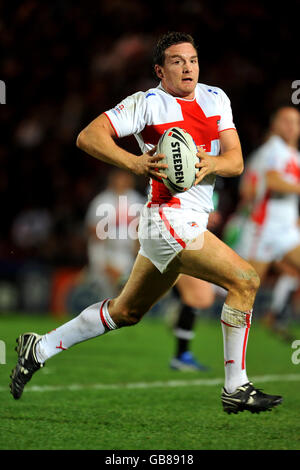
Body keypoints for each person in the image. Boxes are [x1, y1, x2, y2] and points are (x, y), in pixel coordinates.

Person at [10, 31, 282, 414]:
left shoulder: (216, 98)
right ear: (160, 69)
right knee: (246, 279)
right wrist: (134, 162)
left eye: (192, 60)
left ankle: (38, 347)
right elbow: (88, 136)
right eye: (177, 61)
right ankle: (236, 386)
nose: (188, 67)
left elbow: (235, 161)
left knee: (126, 312)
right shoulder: (147, 103)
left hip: (186, 222)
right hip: (168, 217)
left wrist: (211, 162)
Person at [234, 106, 300, 340]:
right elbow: (272, 181)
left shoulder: (293, 155)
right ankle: (234, 333)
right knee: (245, 285)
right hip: (264, 229)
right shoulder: (274, 149)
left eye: (295, 122)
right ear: (275, 125)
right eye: (285, 121)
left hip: (287, 231)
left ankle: (273, 317)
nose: (291, 126)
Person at [85, 168, 144, 298]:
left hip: (127, 254)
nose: (122, 182)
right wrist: (103, 261)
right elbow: (92, 229)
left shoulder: (136, 199)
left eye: (125, 178)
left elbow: (141, 227)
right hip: (107, 252)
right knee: (109, 292)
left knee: (124, 291)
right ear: (112, 180)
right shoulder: (102, 200)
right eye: (119, 178)